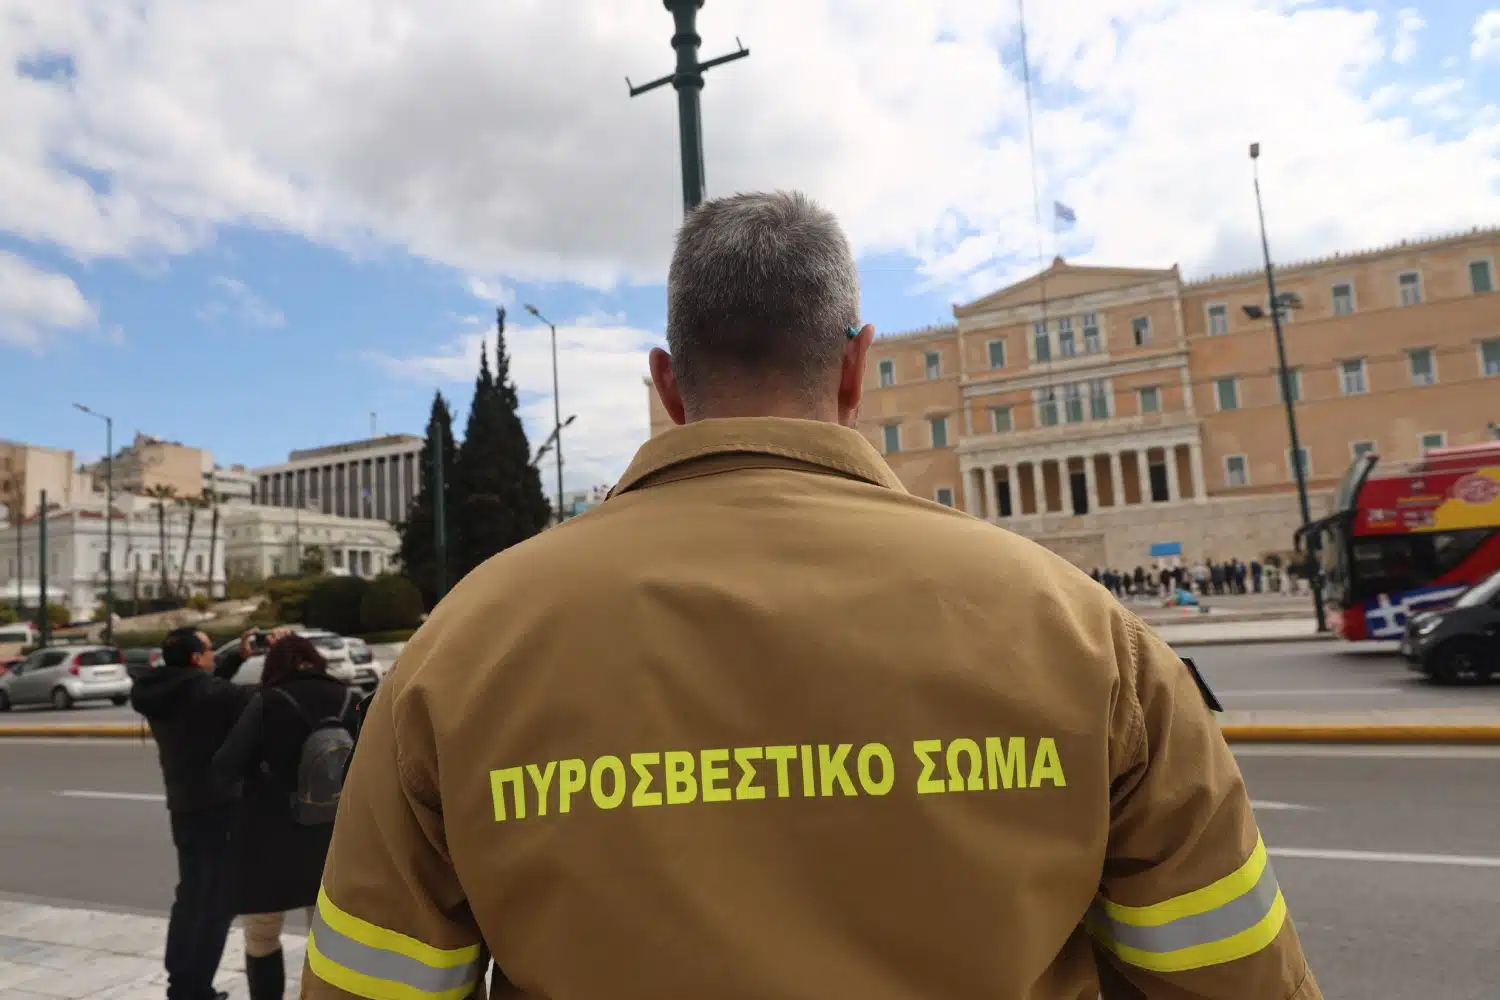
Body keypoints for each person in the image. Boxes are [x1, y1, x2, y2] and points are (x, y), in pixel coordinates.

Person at [305, 191, 1321, 1000]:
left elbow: (373, 981)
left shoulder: (465, 644)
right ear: (855, 366)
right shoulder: (1085, 633)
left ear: (668, 383)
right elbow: (1229, 971)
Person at [211, 633, 361, 1000]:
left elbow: (225, 766)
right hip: (332, 834)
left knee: (262, 935)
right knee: (325, 936)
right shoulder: (349, 698)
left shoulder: (266, 702)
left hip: (269, 838)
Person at [131, 626, 268, 1000]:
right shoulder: (213, 695)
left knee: (191, 896)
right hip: (220, 807)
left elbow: (198, 686)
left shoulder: (156, 691)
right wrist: (279, 657)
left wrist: (236, 657)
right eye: (209, 650)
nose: (212, 655)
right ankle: (198, 989)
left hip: (184, 807)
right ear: (195, 658)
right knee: (219, 901)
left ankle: (181, 985)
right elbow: (262, 698)